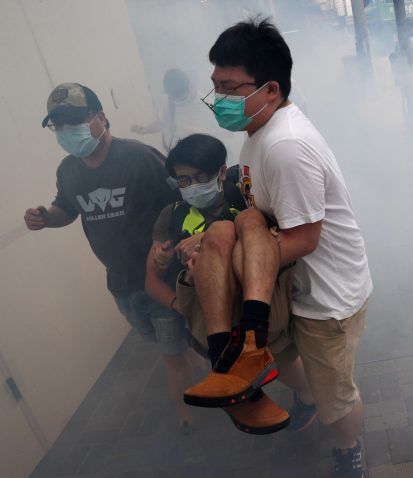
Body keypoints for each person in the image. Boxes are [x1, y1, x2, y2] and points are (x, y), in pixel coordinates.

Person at [184, 18, 372, 478]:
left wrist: (226, 260)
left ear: (270, 89)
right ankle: (278, 383)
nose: (218, 99)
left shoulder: (285, 145)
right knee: (284, 361)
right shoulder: (257, 134)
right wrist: (210, 240)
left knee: (336, 397)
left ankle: (348, 449)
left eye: (229, 87)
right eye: (215, 86)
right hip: (288, 287)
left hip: (326, 299)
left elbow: (306, 238)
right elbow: (267, 218)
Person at [24, 83, 196, 433]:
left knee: (172, 355)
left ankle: (188, 422)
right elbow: (66, 209)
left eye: (75, 120)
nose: (66, 131)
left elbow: (181, 202)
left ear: (101, 117)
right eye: (58, 125)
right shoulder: (68, 171)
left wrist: (171, 243)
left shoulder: (138, 157)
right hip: (121, 285)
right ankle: (194, 373)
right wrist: (45, 218)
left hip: (159, 280)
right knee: (167, 346)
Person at [145, 133, 291, 435]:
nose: (192, 186)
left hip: (258, 302)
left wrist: (209, 237)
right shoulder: (171, 216)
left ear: (222, 172)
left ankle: (256, 358)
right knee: (224, 230)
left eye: (200, 177)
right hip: (210, 312)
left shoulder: (245, 197)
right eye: (183, 180)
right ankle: (229, 368)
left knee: (239, 224)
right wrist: (178, 301)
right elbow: (151, 280)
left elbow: (280, 234)